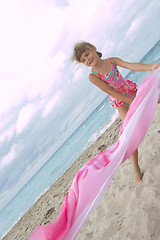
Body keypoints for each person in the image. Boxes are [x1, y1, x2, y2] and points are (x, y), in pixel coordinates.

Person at [71, 41, 160, 183]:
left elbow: (132, 65)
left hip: (131, 92)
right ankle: (137, 171)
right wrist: (131, 102)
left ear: (93, 48)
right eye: (83, 60)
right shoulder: (93, 76)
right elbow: (110, 91)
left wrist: (151, 67)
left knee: (157, 95)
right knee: (131, 137)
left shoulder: (112, 61)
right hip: (122, 103)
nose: (87, 60)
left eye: (87, 54)